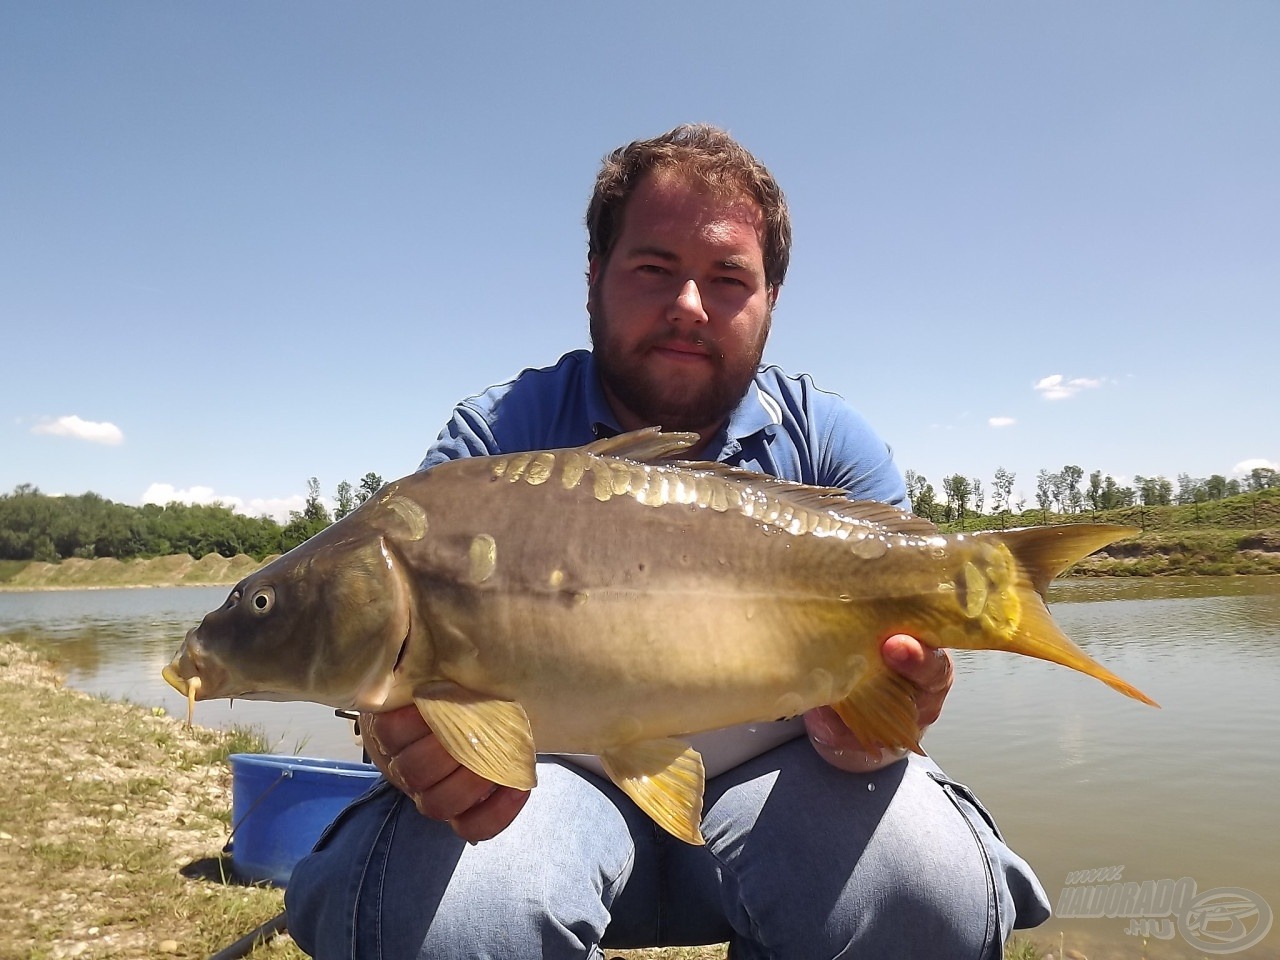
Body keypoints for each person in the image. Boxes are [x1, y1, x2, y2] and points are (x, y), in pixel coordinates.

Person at [285, 124, 1051, 959]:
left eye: (728, 278)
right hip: (546, 783)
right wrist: (398, 743)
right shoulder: (493, 441)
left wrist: (889, 710)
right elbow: (383, 671)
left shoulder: (832, 448)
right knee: (444, 924)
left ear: (771, 300)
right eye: (654, 269)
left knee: (926, 887)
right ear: (593, 279)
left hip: (789, 788)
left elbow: (893, 687)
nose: (689, 304)